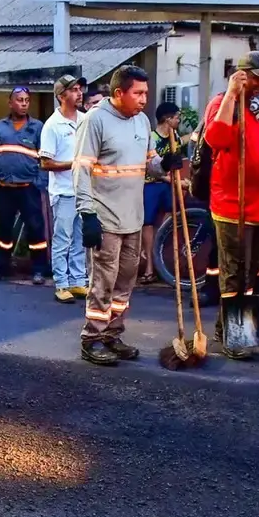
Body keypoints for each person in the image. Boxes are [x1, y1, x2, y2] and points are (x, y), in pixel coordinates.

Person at [74, 65, 180, 365]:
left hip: (133, 217)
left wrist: (166, 163)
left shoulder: (142, 122)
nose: (144, 99)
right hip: (105, 217)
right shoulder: (96, 120)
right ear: (119, 93)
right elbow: (81, 169)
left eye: (146, 93)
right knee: (103, 281)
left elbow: (150, 164)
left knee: (125, 282)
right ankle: (92, 338)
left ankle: (112, 334)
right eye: (138, 93)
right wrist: (87, 214)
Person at [199, 52, 259, 359]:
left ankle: (233, 328)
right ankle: (235, 335)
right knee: (234, 270)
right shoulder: (224, 103)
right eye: (258, 77)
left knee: (252, 272)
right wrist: (232, 95)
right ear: (242, 75)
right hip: (232, 204)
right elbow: (216, 138)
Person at [0, 86, 48, 285]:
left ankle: (38, 270)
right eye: (19, 100)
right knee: (4, 230)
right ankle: (0, 268)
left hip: (29, 188)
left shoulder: (37, 127)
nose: (23, 104)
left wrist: (39, 182)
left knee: (36, 229)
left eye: (27, 100)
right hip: (4, 188)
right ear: (10, 102)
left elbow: (45, 158)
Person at [39, 74, 89, 303]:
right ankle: (61, 283)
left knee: (80, 238)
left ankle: (78, 281)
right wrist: (73, 163)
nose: (80, 93)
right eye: (74, 90)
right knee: (63, 239)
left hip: (84, 190)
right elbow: (45, 163)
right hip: (64, 192)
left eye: (80, 89)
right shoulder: (52, 125)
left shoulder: (85, 119)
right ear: (61, 96)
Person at [140, 101, 184, 284]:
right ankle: (149, 265)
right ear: (167, 119)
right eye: (176, 117)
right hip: (150, 184)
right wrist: (171, 180)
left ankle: (160, 260)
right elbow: (147, 166)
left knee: (170, 216)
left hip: (167, 185)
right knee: (147, 222)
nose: (179, 120)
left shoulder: (177, 138)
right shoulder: (152, 138)